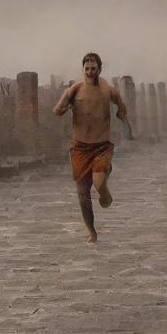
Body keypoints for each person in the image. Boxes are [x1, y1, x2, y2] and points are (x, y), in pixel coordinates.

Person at [53, 52, 133, 243]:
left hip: (101, 147)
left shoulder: (108, 90)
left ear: (100, 69)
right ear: (83, 70)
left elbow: (122, 108)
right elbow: (57, 111)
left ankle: (104, 190)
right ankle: (92, 231)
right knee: (82, 194)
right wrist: (66, 100)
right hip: (80, 147)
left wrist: (125, 121)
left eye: (93, 68)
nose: (90, 72)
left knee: (98, 184)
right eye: (87, 69)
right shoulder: (75, 90)